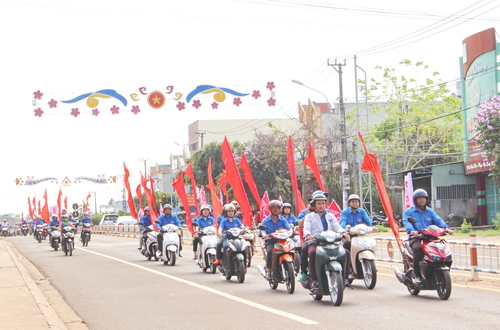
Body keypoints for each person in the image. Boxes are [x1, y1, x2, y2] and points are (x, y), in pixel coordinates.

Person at [403, 188, 453, 283]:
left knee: (444, 249)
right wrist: (412, 231)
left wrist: (447, 229)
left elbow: (438, 221)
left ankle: (440, 271)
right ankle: (417, 275)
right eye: (419, 198)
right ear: (415, 200)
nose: (422, 200)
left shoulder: (430, 211)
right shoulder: (409, 212)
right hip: (417, 238)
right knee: (418, 249)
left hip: (431, 238)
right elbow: (407, 222)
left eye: (424, 198)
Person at [302, 193, 349, 288]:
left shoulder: (330, 216)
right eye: (319, 203)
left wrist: (343, 232)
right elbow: (306, 228)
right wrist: (308, 235)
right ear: (314, 205)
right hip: (316, 242)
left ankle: (346, 277)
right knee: (312, 253)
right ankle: (314, 279)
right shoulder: (309, 217)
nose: (321, 206)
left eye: (323, 203)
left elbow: (337, 227)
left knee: (346, 253)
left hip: (331, 242)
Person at [259, 200, 292, 280]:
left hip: (282, 241)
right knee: (270, 251)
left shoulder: (283, 219)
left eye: (277, 207)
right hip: (271, 241)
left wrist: (291, 231)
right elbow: (261, 231)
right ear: (270, 209)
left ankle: (292, 267)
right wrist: (264, 235)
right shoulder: (266, 220)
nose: (276, 209)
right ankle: (269, 271)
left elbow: (289, 228)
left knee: (291, 249)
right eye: (273, 208)